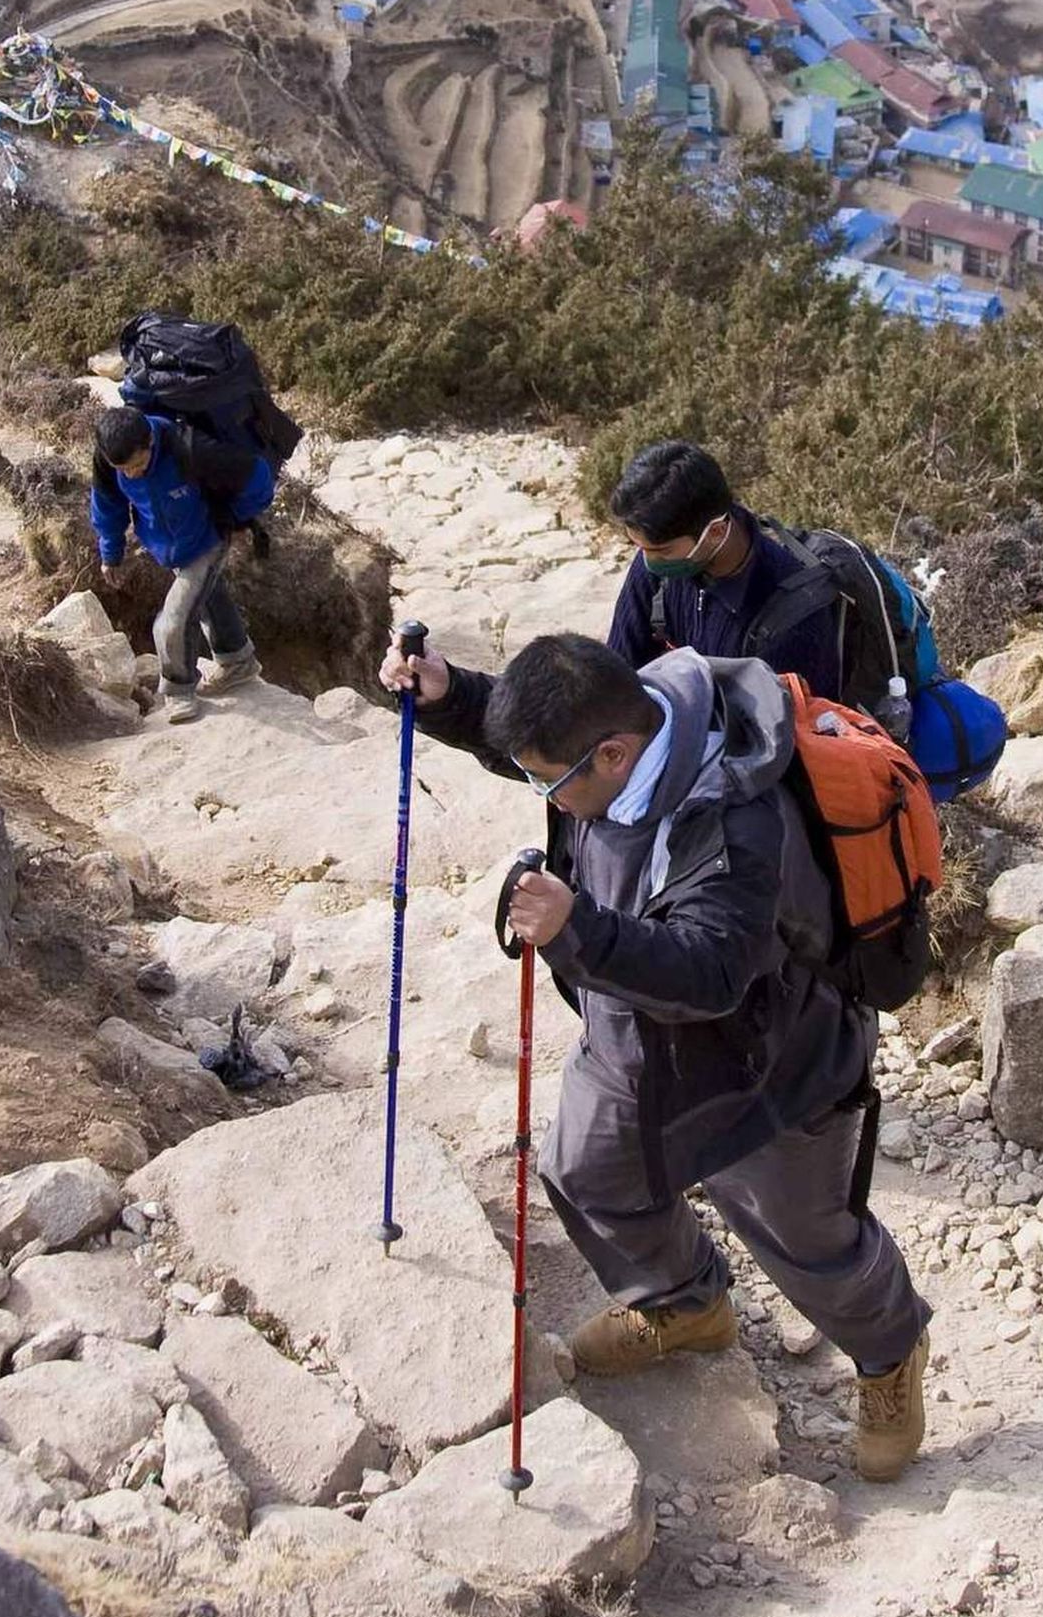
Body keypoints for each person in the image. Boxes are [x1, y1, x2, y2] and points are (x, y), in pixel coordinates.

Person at [382, 625, 931, 1481]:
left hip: (765, 1069)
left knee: (806, 1241)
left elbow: (711, 973)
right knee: (585, 1173)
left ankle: (889, 1353)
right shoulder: (627, 725)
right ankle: (684, 1302)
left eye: (549, 783)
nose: (545, 798)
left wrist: (576, 929)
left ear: (612, 755)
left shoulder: (735, 822)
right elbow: (548, 744)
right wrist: (450, 694)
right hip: (632, 1034)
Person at [604, 439, 849, 702]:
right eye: (640, 547)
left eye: (662, 551)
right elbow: (619, 673)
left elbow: (793, 732)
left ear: (716, 532)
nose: (647, 561)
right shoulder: (660, 563)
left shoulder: (793, 617)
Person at [90, 402, 270, 724]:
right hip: (168, 546)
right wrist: (111, 554)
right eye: (124, 470)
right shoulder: (109, 462)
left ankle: (179, 691)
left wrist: (237, 520)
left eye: (139, 464)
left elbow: (257, 475)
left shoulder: (189, 448)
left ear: (151, 443)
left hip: (208, 540)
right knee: (209, 599)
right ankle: (237, 661)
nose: (132, 473)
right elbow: (107, 508)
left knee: (172, 620)